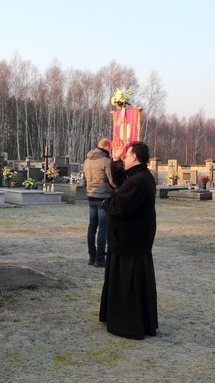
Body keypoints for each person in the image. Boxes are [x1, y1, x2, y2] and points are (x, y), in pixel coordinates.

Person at [99, 141, 158, 340]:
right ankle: (118, 316)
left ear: (134, 157)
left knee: (129, 283)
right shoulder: (137, 176)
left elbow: (120, 204)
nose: (124, 158)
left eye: (126, 155)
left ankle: (127, 323)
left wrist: (106, 203)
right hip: (129, 241)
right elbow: (120, 183)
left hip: (130, 241)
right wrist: (115, 159)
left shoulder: (140, 180)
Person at [83, 138, 116, 267]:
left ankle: (92, 256)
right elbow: (112, 181)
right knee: (103, 228)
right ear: (108, 148)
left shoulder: (87, 160)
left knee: (92, 227)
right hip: (103, 197)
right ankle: (100, 259)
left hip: (91, 196)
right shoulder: (106, 161)